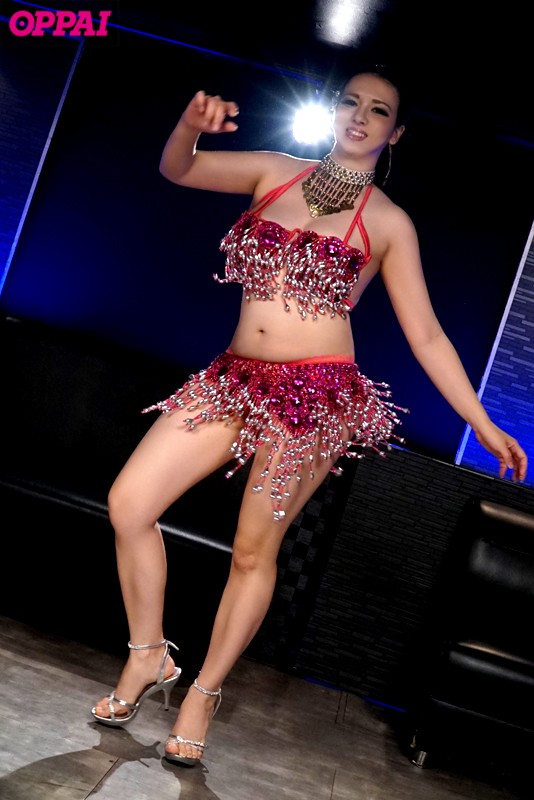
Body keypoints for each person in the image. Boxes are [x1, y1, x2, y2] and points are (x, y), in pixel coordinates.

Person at [91, 65, 528, 767]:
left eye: (378, 110)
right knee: (129, 503)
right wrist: (188, 127)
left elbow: (426, 335)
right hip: (234, 378)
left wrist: (479, 420)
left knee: (252, 552)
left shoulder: (388, 222)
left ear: (395, 133)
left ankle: (204, 693)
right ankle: (148, 654)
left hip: (314, 398)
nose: (359, 115)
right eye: (350, 101)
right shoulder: (273, 171)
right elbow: (180, 169)